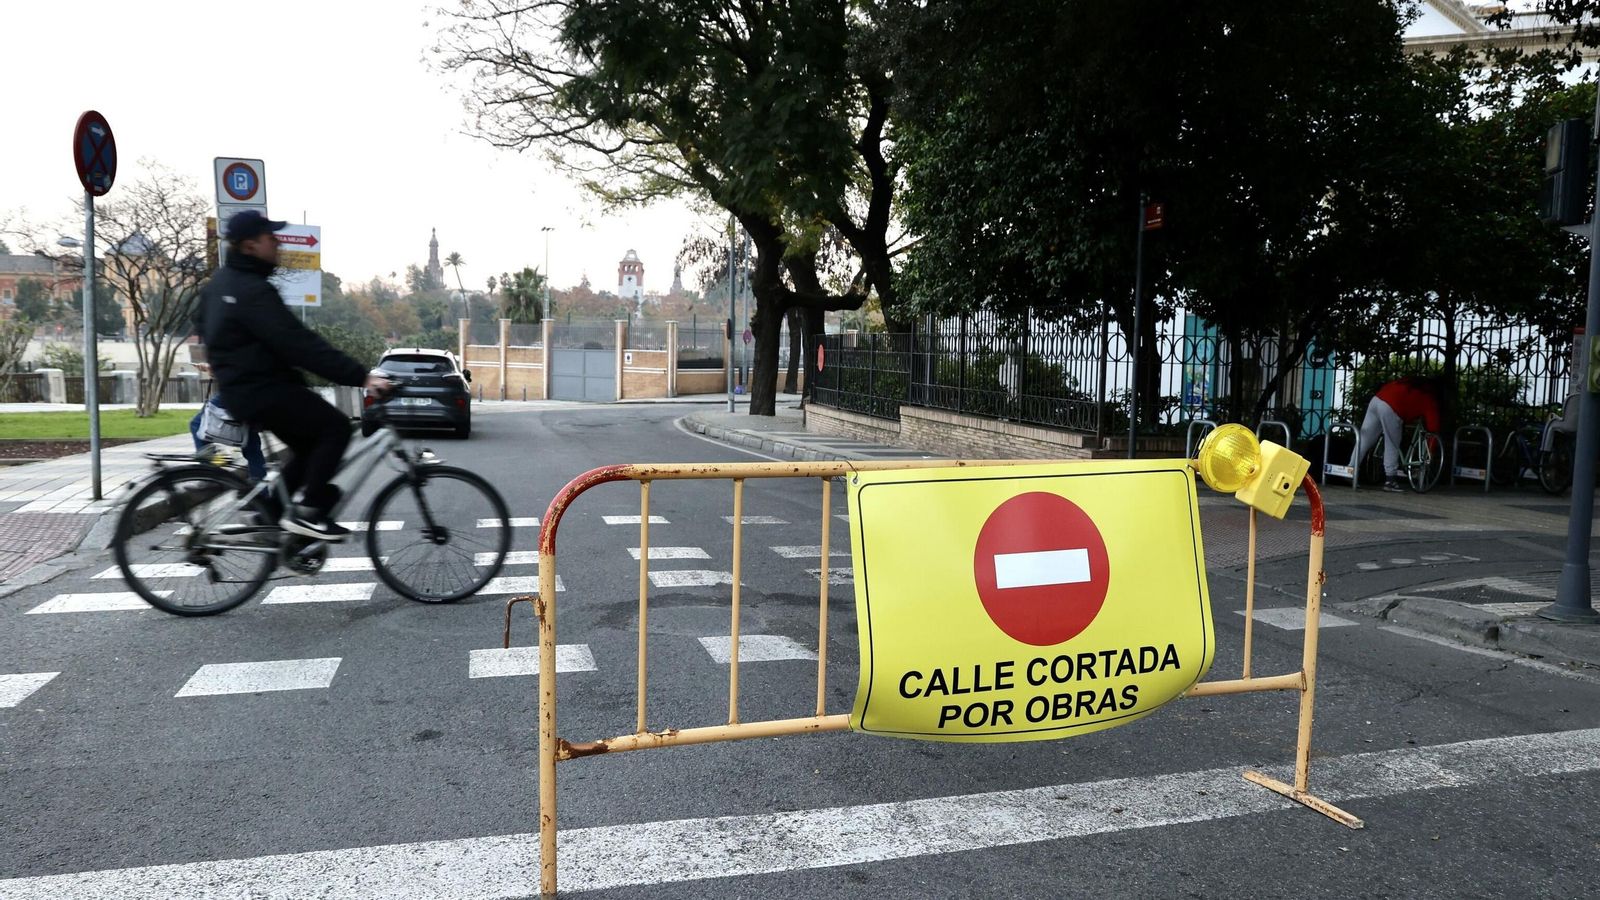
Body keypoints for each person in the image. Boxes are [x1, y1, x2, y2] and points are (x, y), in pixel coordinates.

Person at [196, 210, 390, 540]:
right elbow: (299, 344)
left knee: (308, 447)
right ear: (250, 245)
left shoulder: (221, 285)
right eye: (270, 238)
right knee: (335, 428)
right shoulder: (252, 290)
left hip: (246, 389)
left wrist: (226, 358)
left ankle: (270, 515)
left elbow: (201, 324)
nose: (279, 242)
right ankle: (309, 511)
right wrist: (361, 376)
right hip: (261, 389)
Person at [1350, 375, 1442, 492]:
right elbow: (1433, 428)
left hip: (1377, 400)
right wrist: (1430, 450)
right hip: (1392, 408)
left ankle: (1351, 471)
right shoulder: (1429, 397)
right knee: (1392, 443)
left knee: (1364, 438)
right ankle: (1390, 480)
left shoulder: (1407, 382)